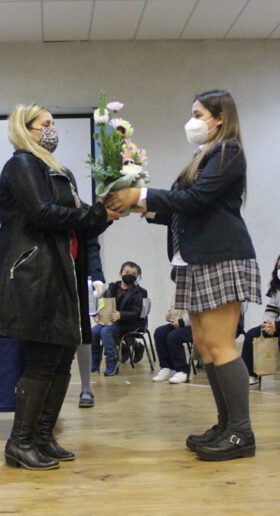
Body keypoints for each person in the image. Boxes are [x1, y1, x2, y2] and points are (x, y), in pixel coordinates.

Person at [107, 90, 261, 461]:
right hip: (196, 260)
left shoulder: (229, 152)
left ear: (220, 118)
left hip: (221, 257)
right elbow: (185, 210)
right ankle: (226, 424)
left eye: (198, 113)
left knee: (221, 345)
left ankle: (241, 433)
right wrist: (138, 207)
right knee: (205, 345)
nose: (192, 121)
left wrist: (140, 194)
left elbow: (195, 200)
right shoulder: (204, 155)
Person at [0, 104, 121, 471]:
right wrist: (95, 213)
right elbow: (44, 213)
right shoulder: (22, 165)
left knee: (62, 359)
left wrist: (107, 213)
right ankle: (20, 442)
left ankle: (43, 436)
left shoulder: (58, 171)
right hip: (36, 277)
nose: (52, 129)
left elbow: (79, 223)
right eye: (45, 123)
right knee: (43, 361)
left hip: (64, 276)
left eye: (53, 123)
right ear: (26, 129)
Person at [91, 261, 144, 377]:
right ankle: (95, 360)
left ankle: (112, 361)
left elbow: (136, 313)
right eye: (127, 272)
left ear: (137, 277)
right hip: (109, 321)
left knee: (106, 332)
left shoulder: (137, 293)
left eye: (133, 274)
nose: (130, 275)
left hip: (126, 324)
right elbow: (102, 301)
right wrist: (97, 313)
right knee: (94, 331)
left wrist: (121, 315)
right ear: (120, 274)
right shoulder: (112, 288)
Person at [242, 255, 280, 385]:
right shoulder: (276, 288)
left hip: (278, 325)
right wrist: (267, 323)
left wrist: (277, 325)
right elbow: (272, 308)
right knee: (251, 335)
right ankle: (250, 375)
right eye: (279, 266)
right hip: (274, 325)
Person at [77, 238, 106, 408]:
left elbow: (91, 245)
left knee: (83, 330)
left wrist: (97, 275)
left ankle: (86, 388)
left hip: (79, 276)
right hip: (51, 275)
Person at [153, 269, 192, 384]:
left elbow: (196, 313)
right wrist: (170, 315)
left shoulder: (195, 292)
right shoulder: (178, 293)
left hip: (195, 326)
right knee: (159, 332)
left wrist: (182, 322)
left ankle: (182, 371)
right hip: (180, 324)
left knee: (174, 336)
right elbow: (174, 309)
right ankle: (166, 367)